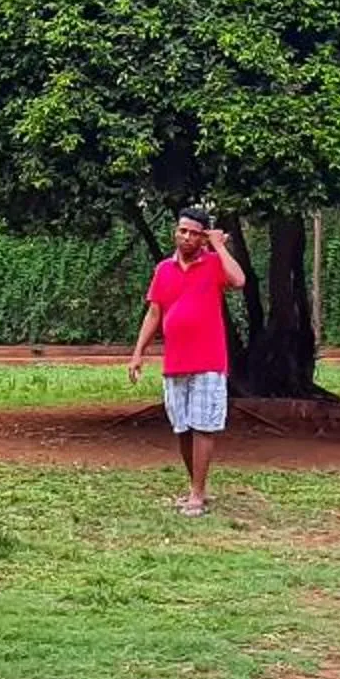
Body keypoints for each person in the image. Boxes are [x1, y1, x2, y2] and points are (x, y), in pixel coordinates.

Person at [128, 208, 245, 516]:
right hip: (175, 361)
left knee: (203, 425)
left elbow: (240, 280)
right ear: (175, 232)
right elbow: (154, 313)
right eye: (183, 231)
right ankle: (195, 487)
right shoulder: (163, 269)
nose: (187, 237)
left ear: (202, 236)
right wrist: (138, 352)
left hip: (208, 359)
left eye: (194, 233)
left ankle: (198, 493)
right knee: (182, 427)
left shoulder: (213, 264)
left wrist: (218, 245)